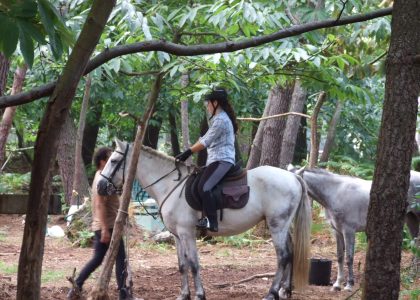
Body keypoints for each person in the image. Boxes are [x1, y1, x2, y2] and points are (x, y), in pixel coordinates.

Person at [67, 147, 128, 300]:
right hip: (107, 225)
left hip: (104, 225)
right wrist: (106, 229)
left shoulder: (101, 176)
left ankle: (76, 286)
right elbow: (100, 205)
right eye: (110, 160)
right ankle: (123, 294)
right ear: (102, 162)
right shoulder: (102, 179)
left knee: (98, 259)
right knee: (121, 259)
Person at [176, 87, 238, 232]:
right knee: (200, 183)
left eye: (208, 103)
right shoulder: (218, 119)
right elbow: (204, 139)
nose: (207, 106)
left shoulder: (221, 120)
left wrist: (187, 152)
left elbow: (205, 142)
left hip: (222, 160)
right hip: (215, 160)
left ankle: (212, 222)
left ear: (215, 102)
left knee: (205, 187)